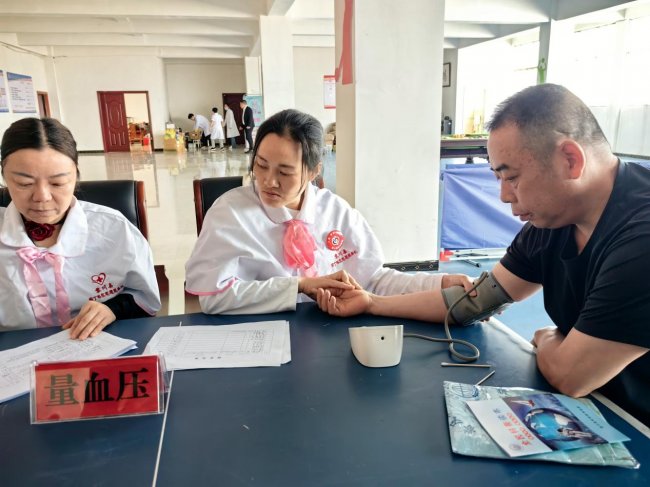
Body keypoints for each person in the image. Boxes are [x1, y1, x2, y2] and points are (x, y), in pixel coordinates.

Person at [316, 84, 650, 426]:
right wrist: (372, 303)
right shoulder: (554, 220)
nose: (504, 196)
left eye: (512, 177)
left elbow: (570, 375)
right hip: (598, 409)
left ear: (570, 160)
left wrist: (548, 337)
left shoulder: (641, 238)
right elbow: (475, 302)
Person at [185, 108, 472, 315]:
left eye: (285, 172)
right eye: (261, 165)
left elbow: (374, 280)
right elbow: (214, 298)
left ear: (314, 171)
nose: (268, 181)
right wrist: (299, 286)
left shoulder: (335, 211)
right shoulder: (230, 213)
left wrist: (439, 283)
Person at [0, 118, 161, 339]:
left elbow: (145, 298)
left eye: (57, 183)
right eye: (24, 184)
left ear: (76, 175)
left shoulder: (114, 229)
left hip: (97, 348)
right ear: (4, 177)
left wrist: (112, 309)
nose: (42, 197)